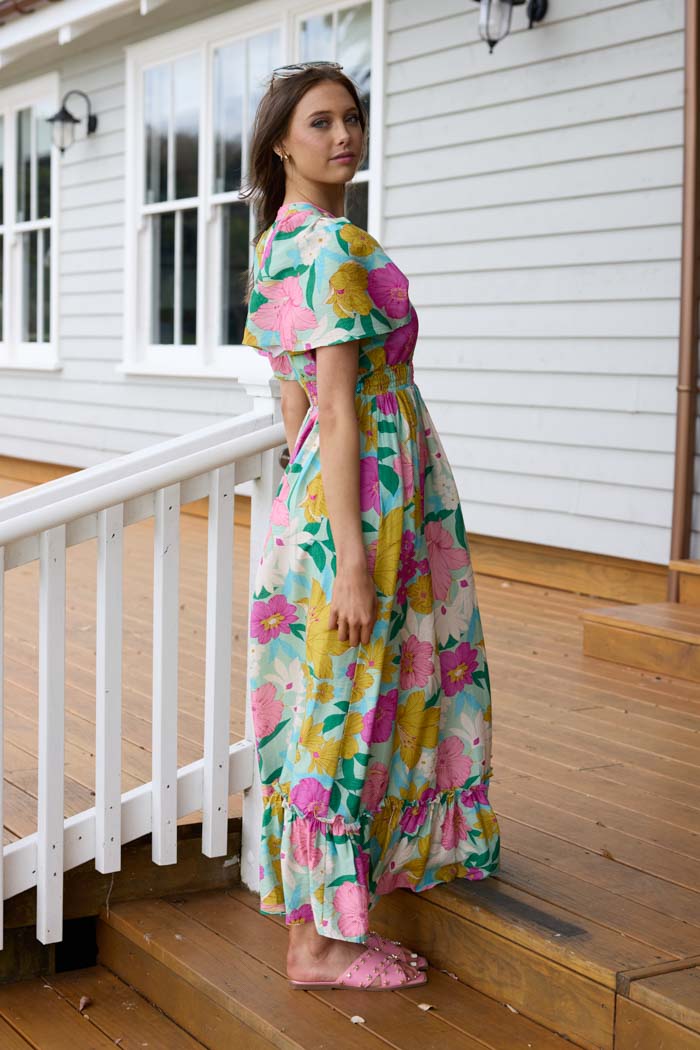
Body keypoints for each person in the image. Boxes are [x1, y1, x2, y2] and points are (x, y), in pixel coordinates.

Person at [240, 60, 500, 992]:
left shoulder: (279, 241)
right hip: (368, 502)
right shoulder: (327, 248)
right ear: (281, 143)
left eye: (350, 117)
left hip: (333, 495)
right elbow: (337, 408)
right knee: (349, 698)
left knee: (334, 694)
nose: (343, 134)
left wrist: (314, 517)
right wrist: (351, 556)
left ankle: (328, 925)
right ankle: (317, 949)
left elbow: (294, 406)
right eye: (320, 122)